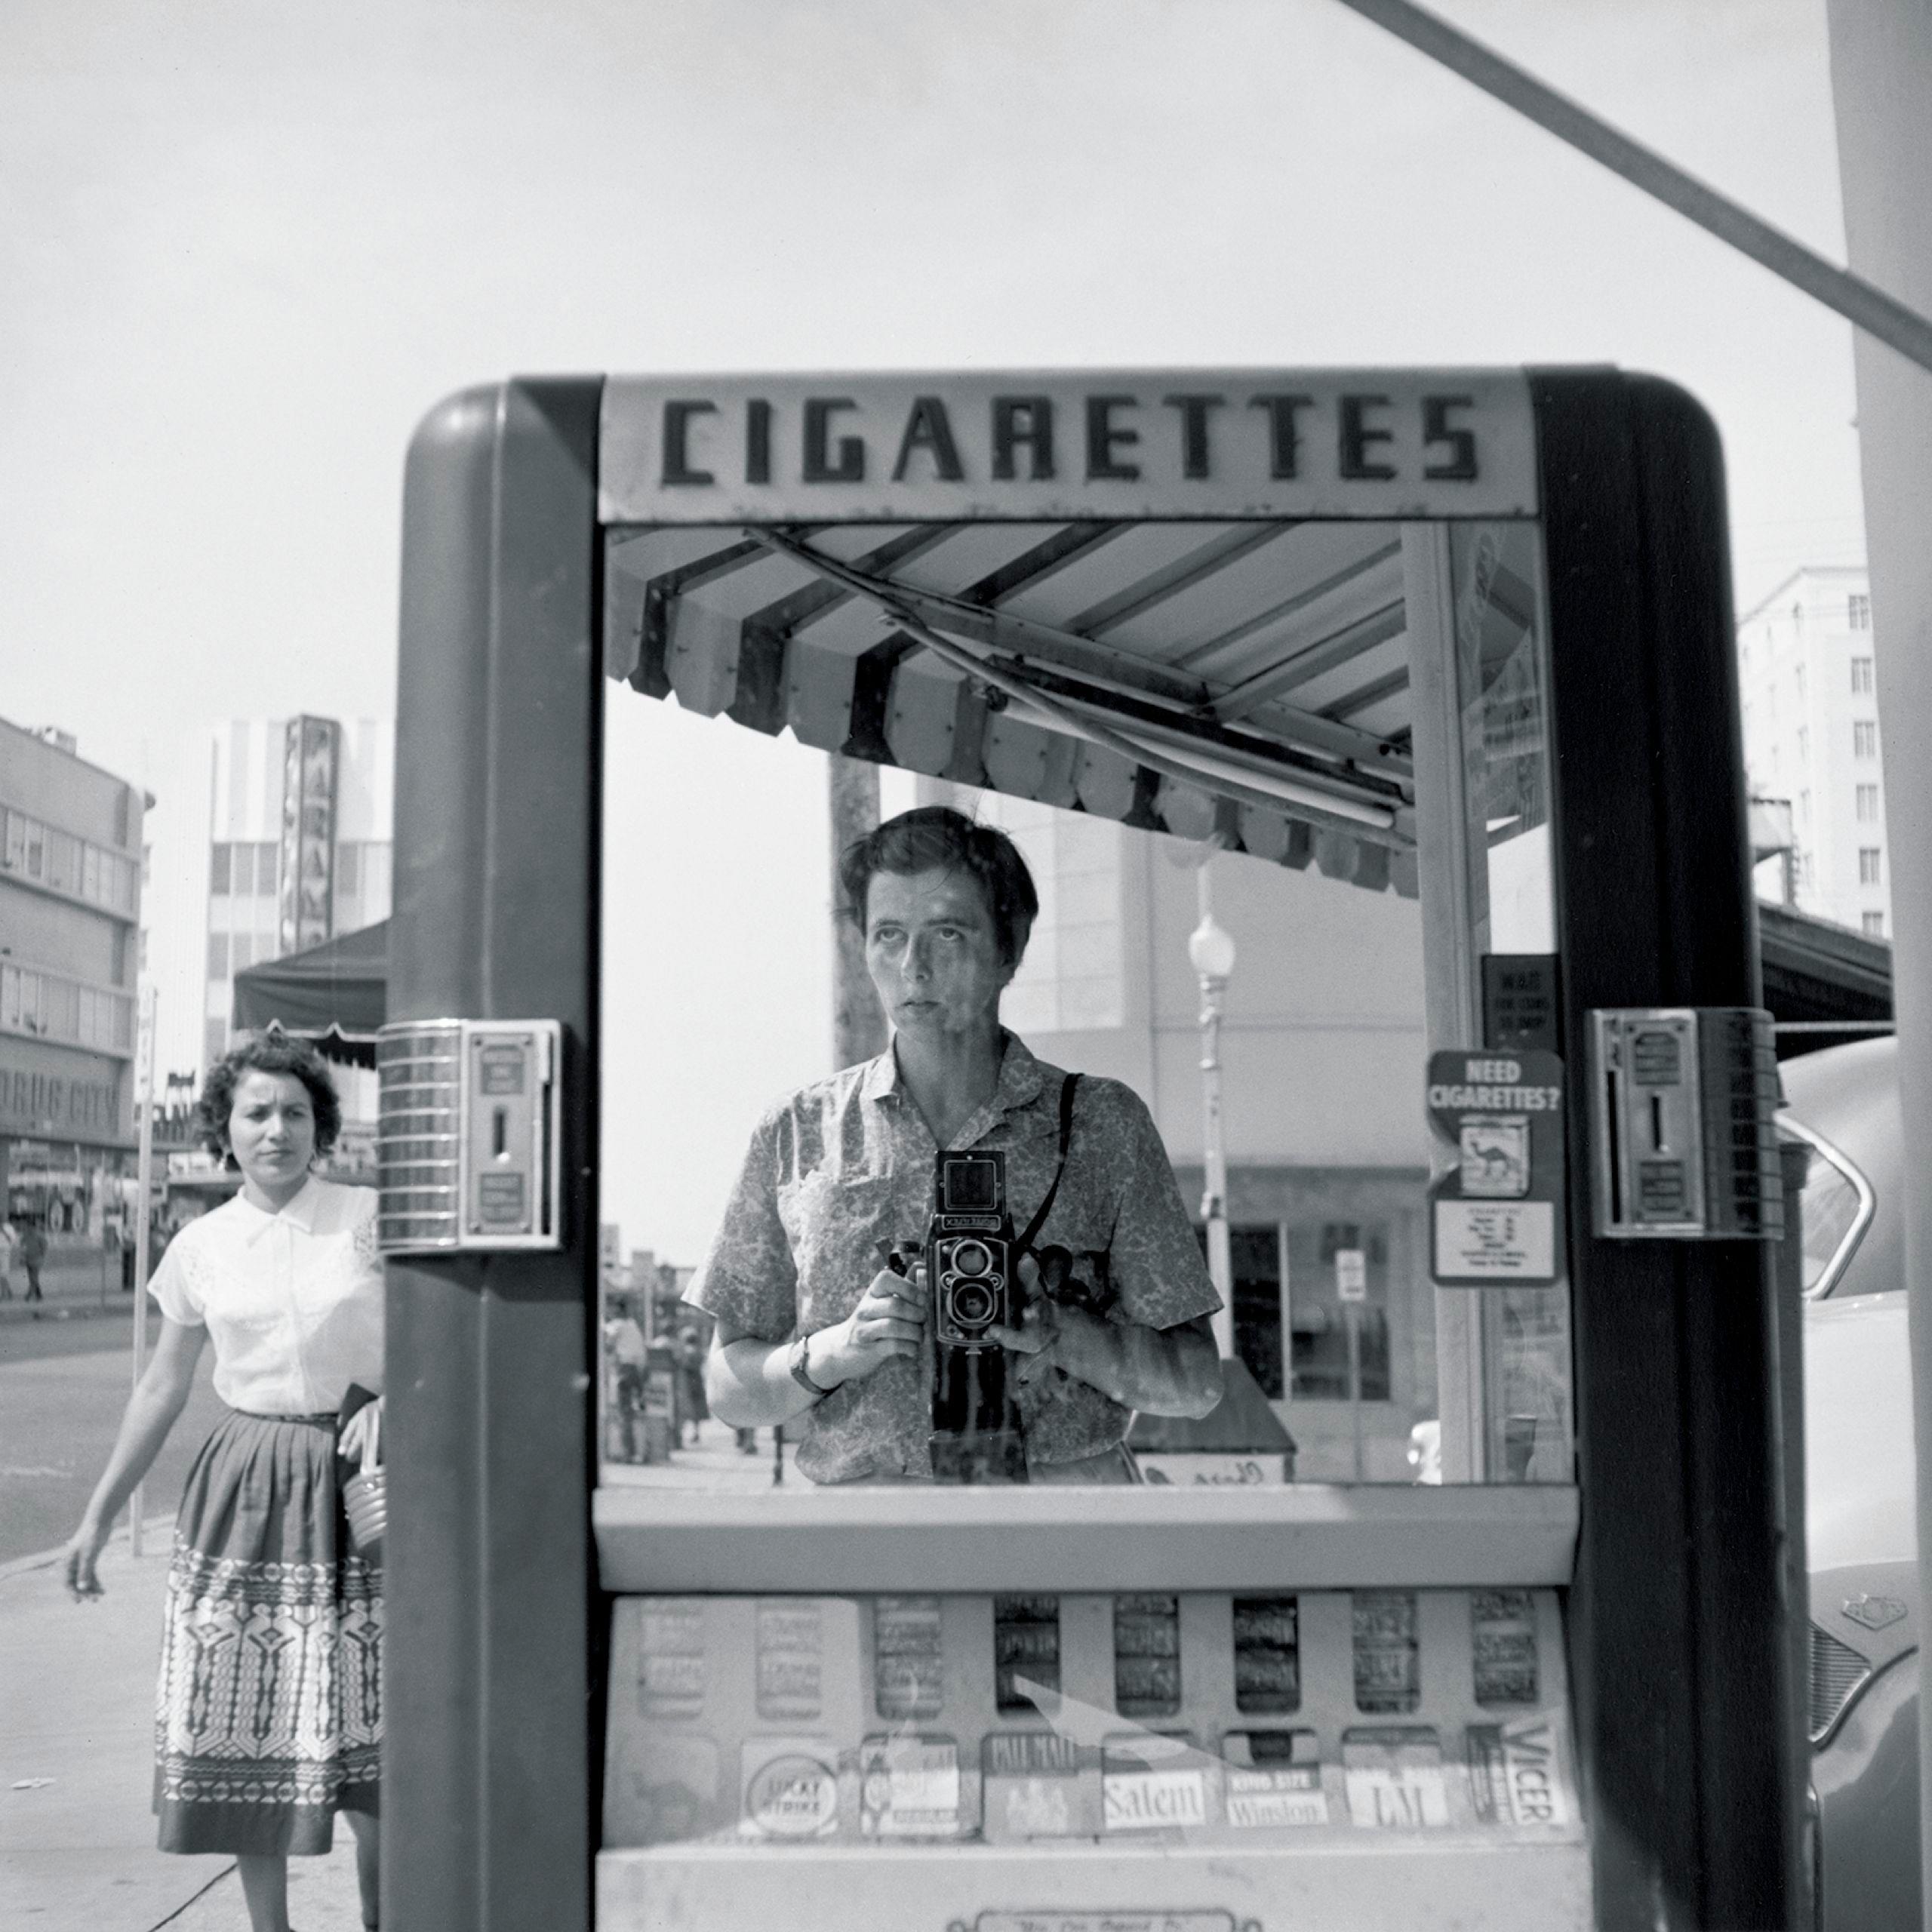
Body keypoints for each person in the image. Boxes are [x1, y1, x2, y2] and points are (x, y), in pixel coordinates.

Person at [693, 805, 1223, 1484]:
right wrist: (835, 1352)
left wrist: (1061, 1332)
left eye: (946, 933)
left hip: (1064, 1522)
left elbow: (1196, 1384)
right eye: (888, 935)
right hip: (874, 1534)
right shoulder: (798, 1133)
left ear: (1010, 947)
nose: (913, 967)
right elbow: (727, 1387)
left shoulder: (1099, 1125)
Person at [61, 1029, 383, 1932]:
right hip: (245, 1491)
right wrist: (96, 1519)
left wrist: (399, 1398)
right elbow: (163, 1386)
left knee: (373, 1731)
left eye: (294, 1112)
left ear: (321, 1126)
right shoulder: (201, 1243)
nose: (276, 1129)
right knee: (257, 1721)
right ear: (225, 1128)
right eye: (256, 1112)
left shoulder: (369, 1218)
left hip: (364, 1481)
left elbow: (440, 1344)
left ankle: (381, 1918)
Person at [18, 1219, 47, 1312]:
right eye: (28, 1226)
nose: (30, 1228)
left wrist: (42, 1256)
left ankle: (29, 1295)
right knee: (32, 1278)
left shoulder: (39, 1236)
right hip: (28, 1260)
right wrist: (22, 1257)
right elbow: (23, 1247)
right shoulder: (25, 1236)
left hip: (36, 1259)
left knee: (34, 1278)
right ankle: (39, 1295)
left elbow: (44, 1247)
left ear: (34, 1227)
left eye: (31, 1227)